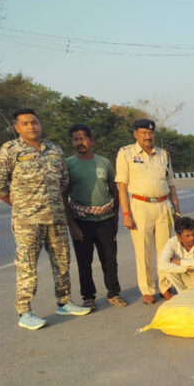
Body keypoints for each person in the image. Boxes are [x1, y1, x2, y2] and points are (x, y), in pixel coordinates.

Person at [0, 108, 90, 330]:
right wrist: (22, 205)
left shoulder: (54, 149)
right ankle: (25, 311)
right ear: (17, 128)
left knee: (62, 262)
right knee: (27, 266)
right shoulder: (10, 150)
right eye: (26, 123)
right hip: (27, 221)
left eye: (34, 122)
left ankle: (64, 301)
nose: (31, 126)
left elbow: (63, 182)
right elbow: (0, 186)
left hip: (56, 218)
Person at [116, 118, 181, 304]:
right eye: (143, 132)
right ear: (135, 134)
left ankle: (165, 286)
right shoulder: (126, 153)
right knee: (143, 251)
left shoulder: (163, 155)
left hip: (162, 205)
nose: (148, 136)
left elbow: (172, 185)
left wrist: (177, 212)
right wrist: (126, 214)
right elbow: (122, 186)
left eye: (151, 133)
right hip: (140, 206)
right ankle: (148, 290)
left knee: (165, 250)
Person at [66, 124, 127, 310]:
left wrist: (115, 218)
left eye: (83, 138)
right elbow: (63, 196)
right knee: (84, 262)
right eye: (76, 139)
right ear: (73, 142)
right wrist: (72, 225)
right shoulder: (68, 164)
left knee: (109, 259)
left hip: (105, 220)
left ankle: (114, 293)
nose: (80, 142)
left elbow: (114, 191)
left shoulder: (104, 163)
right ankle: (88, 297)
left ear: (91, 140)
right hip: (81, 221)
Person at [157, 216, 194, 293]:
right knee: (166, 269)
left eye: (193, 234)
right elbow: (161, 265)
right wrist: (186, 269)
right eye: (187, 236)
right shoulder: (171, 243)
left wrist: (180, 262)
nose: (192, 238)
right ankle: (182, 294)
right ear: (178, 236)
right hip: (183, 275)